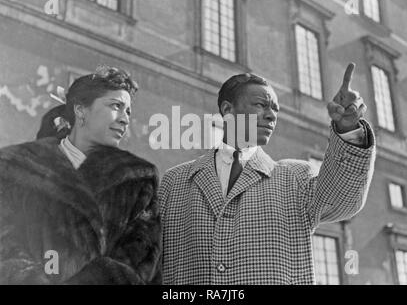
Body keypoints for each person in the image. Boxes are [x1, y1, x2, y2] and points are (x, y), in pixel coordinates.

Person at [159, 63, 376, 284]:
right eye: (261, 105)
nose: (272, 116)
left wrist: (348, 129)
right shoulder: (175, 181)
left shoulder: (296, 178)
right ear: (227, 110)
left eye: (275, 109)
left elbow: (343, 200)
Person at [0, 66, 161, 284]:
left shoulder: (139, 178)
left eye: (128, 111)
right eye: (116, 106)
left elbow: (142, 260)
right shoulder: (16, 165)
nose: (125, 119)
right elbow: (5, 241)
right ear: (81, 110)